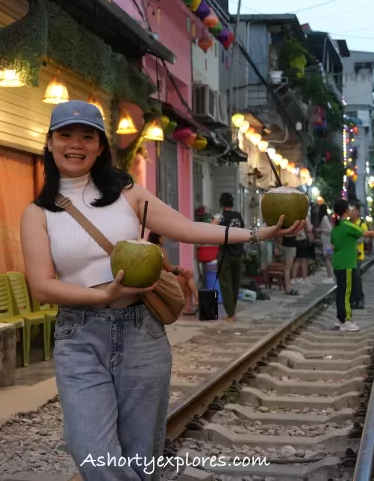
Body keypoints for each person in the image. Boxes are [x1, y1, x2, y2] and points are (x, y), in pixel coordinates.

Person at [20, 101, 304, 480]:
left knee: (141, 454)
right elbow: (42, 286)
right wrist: (102, 296)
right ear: (50, 143)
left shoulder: (128, 195)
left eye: (87, 136)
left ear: (101, 146)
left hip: (141, 331)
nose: (76, 145)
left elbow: (186, 228)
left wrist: (257, 233)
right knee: (90, 448)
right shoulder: (38, 213)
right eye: (66, 135)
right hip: (80, 336)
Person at [329, 199, 374, 331]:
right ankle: (346, 321)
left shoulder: (336, 227)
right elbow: (368, 233)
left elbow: (333, 246)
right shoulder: (348, 225)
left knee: (341, 292)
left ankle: (339, 318)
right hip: (347, 264)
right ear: (346, 211)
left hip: (337, 263)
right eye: (349, 208)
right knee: (347, 293)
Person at [212, 193, 247, 321]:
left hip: (225, 254)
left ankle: (231, 314)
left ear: (221, 203)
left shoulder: (221, 216)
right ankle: (233, 311)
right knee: (235, 283)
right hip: (238, 253)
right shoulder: (238, 216)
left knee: (226, 283)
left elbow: (212, 227)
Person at [148, 232, 199, 316]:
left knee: (188, 273)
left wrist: (177, 268)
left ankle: (196, 298)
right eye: (162, 237)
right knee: (186, 281)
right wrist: (177, 268)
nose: (164, 239)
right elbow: (169, 268)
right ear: (159, 239)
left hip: (160, 275)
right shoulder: (160, 250)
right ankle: (192, 302)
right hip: (163, 277)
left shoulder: (150, 249)